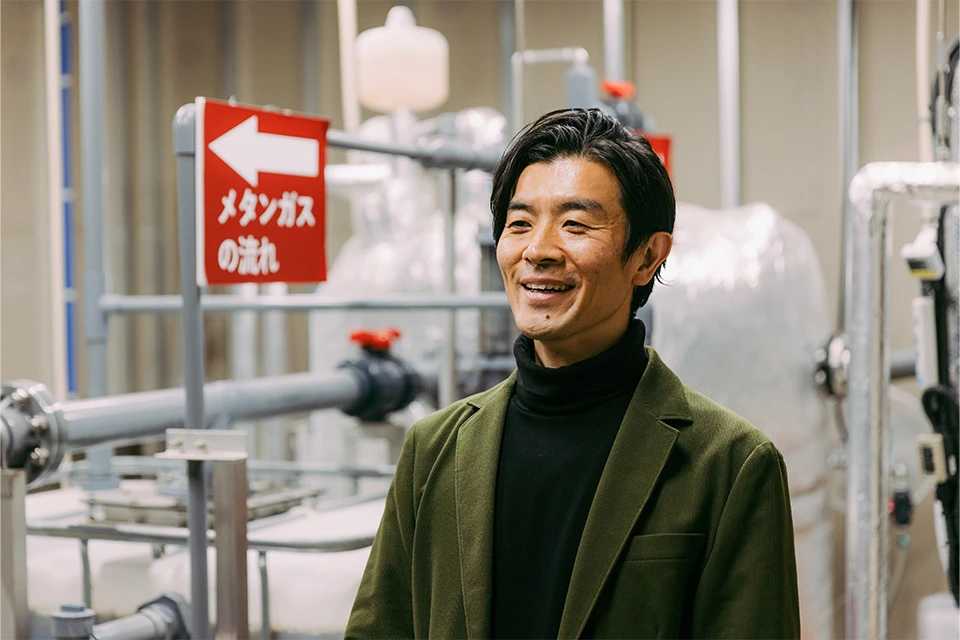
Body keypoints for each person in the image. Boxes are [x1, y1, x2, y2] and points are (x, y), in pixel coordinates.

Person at [345, 109, 801, 639]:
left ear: (647, 256)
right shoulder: (433, 450)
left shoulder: (729, 465)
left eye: (575, 225)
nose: (538, 250)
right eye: (519, 224)